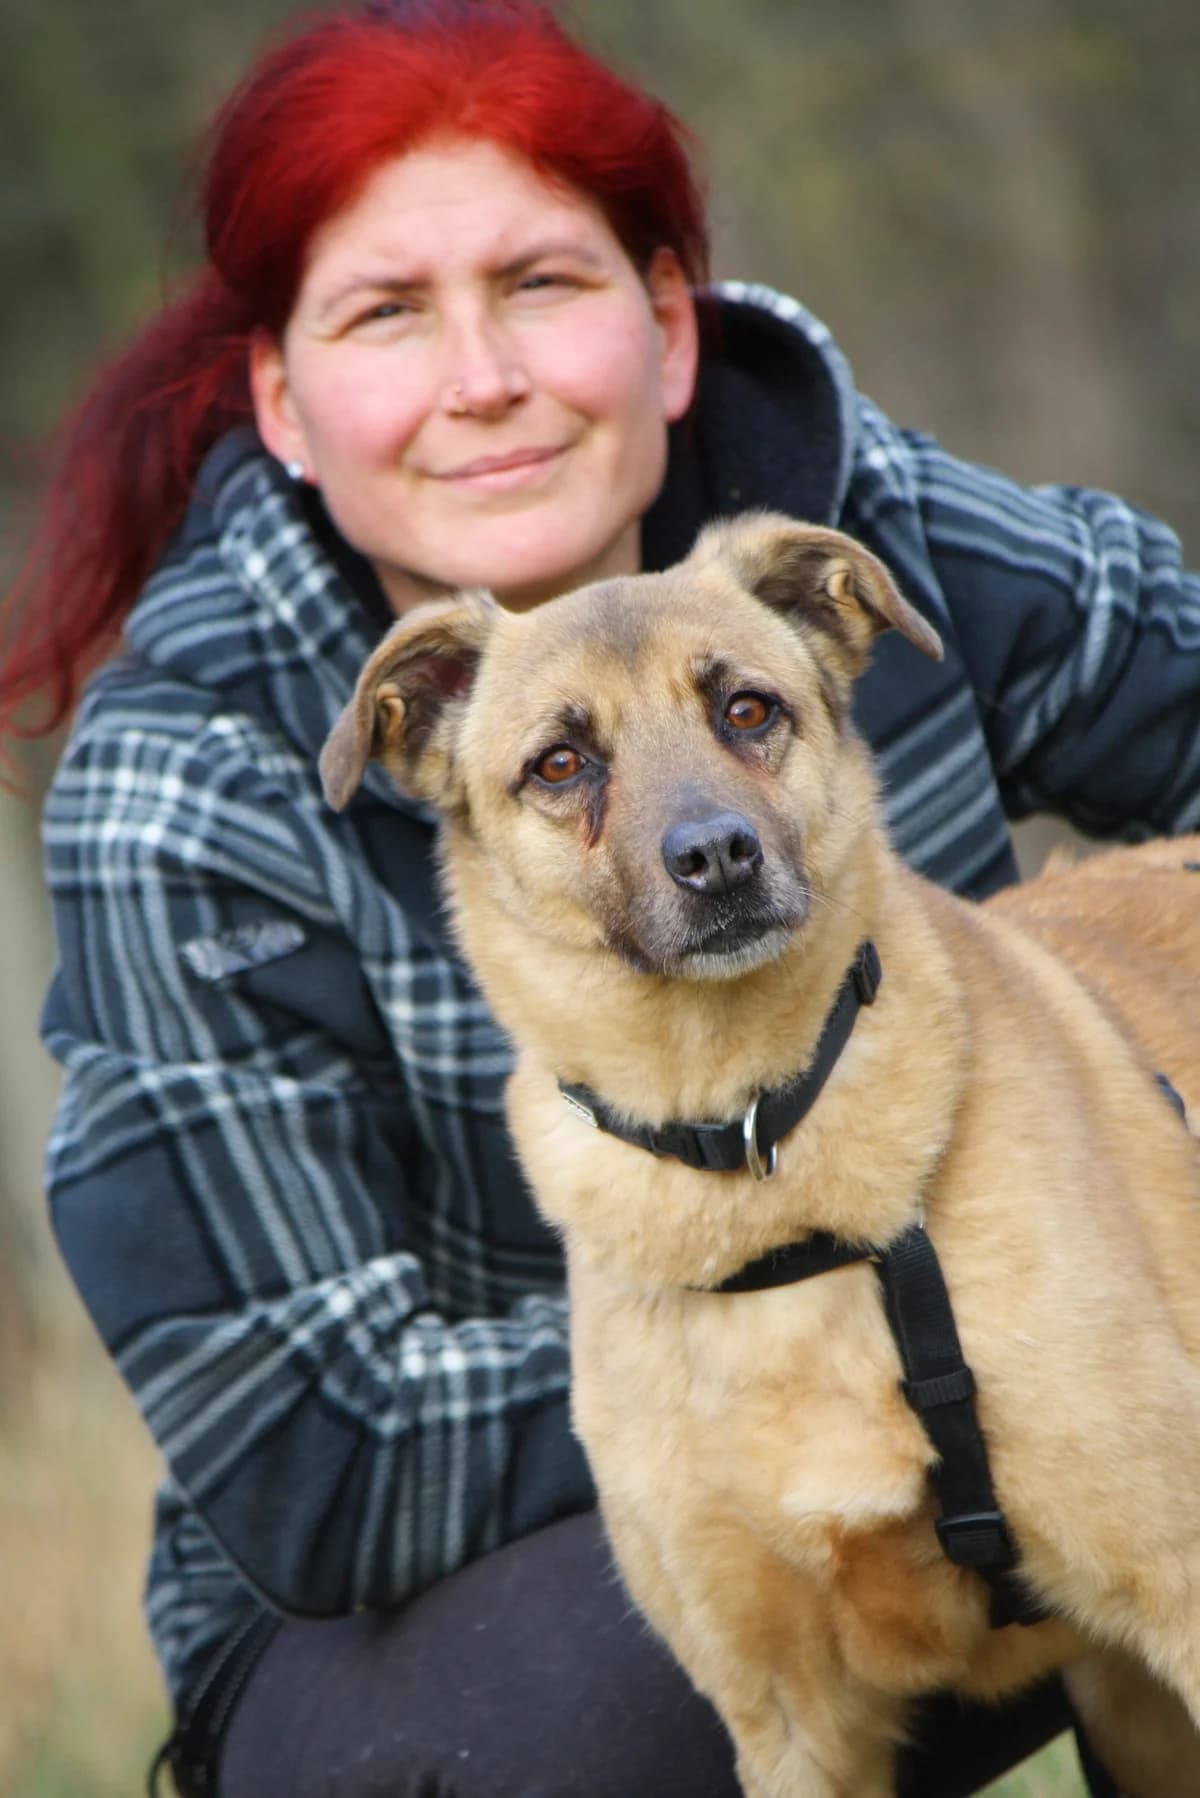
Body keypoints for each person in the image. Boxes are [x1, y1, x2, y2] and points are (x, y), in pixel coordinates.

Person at [4, 1, 1197, 1793]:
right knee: (561, 1744)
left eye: (542, 284)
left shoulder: (833, 542)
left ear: (662, 329)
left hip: (1026, 1397)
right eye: (389, 313)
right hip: (457, 1586)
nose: (483, 376)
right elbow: (321, 1451)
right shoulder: (193, 777)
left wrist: (1110, 1203)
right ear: (284, 400)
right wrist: (804, 1351)